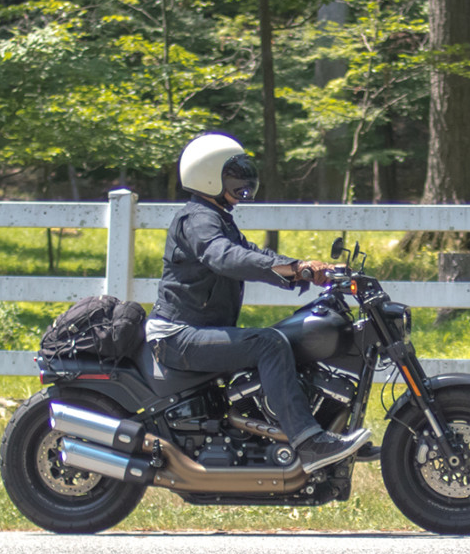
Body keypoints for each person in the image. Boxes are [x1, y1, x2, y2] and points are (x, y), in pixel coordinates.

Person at [145, 132, 370, 473]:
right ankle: (308, 443)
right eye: (234, 173)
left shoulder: (217, 216)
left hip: (194, 332)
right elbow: (225, 257)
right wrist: (296, 269)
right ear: (208, 174)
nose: (244, 180)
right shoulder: (197, 219)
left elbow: (254, 254)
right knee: (269, 343)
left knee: (282, 340)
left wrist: (307, 270)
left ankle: (316, 428)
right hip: (178, 336)